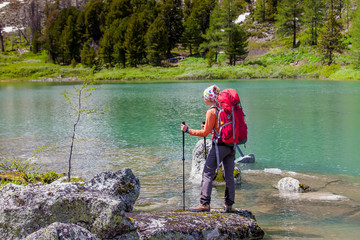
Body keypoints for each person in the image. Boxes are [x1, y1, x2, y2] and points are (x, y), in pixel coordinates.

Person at [180, 85, 236, 212]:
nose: (203, 99)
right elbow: (220, 129)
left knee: (207, 173)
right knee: (229, 176)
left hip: (220, 146)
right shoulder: (225, 108)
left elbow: (204, 133)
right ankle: (229, 205)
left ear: (208, 98)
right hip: (232, 146)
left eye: (204, 96)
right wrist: (210, 129)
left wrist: (188, 130)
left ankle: (204, 204)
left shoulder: (212, 111)